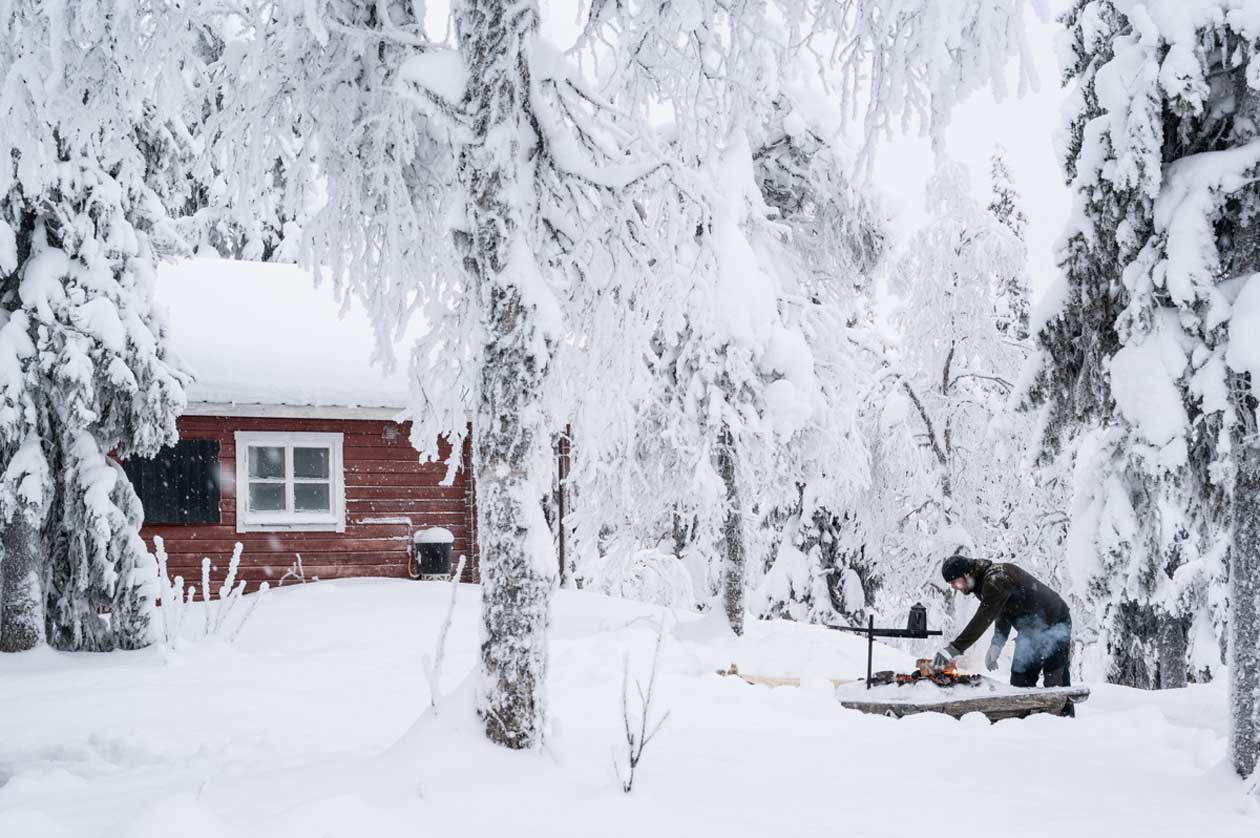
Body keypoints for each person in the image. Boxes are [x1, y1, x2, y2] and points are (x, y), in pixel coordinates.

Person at [933, 554, 1074, 701]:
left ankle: (1064, 718)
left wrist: (954, 648)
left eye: (955, 582)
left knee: (1055, 682)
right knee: (1020, 681)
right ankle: (1027, 721)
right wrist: (997, 644)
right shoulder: (984, 583)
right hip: (1029, 631)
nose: (954, 587)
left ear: (967, 574)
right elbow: (1003, 612)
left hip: (1055, 623)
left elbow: (983, 617)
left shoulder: (997, 578)